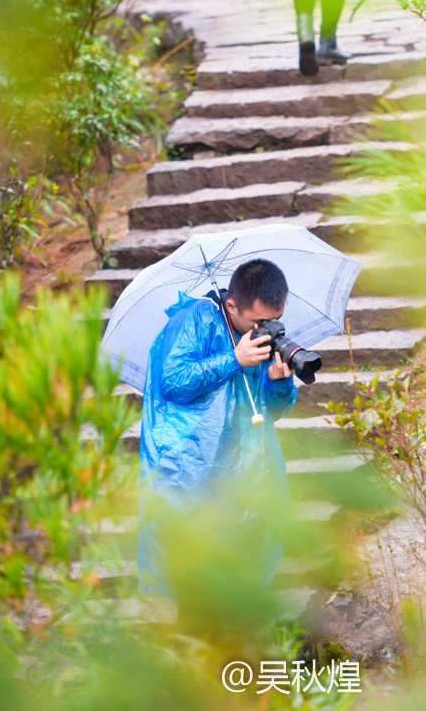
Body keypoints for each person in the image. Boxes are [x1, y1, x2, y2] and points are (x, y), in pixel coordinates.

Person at [136, 258, 297, 630]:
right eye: (258, 322)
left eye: (274, 321)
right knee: (199, 595)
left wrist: (279, 381)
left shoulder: (257, 332)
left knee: (237, 593)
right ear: (231, 306)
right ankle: (200, 677)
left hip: (243, 477)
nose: (266, 329)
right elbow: (172, 381)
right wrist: (234, 358)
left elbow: (269, 410)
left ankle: (232, 675)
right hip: (191, 472)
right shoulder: (194, 320)